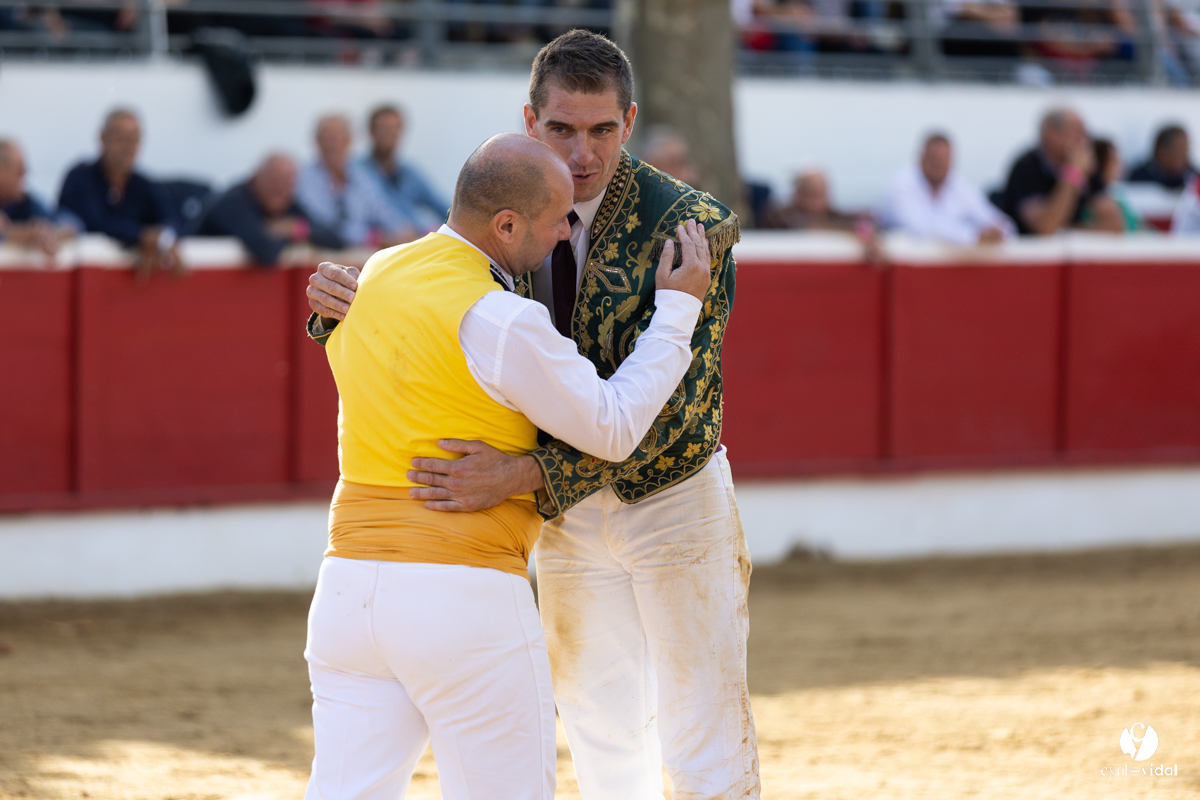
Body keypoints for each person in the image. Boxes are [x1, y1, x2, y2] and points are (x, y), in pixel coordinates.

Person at [304, 30, 760, 800]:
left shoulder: (690, 224)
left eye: (602, 130)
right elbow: (441, 306)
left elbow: (675, 418)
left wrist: (528, 471)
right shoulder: (503, 206)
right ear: (529, 121)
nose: (582, 153)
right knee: (596, 720)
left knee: (701, 719)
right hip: (565, 518)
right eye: (562, 129)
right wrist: (344, 308)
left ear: (630, 120)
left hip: (670, 499)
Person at [58, 108, 182, 277]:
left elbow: (172, 218)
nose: (127, 147)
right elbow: (95, 222)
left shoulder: (143, 184)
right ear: (102, 137)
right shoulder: (80, 178)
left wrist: (162, 239)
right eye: (120, 138)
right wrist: (142, 237)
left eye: (133, 139)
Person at [197, 153, 344, 265]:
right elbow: (266, 251)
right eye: (274, 180)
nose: (280, 188)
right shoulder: (232, 203)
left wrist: (297, 229)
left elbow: (336, 241)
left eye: (287, 183)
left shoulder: (287, 203)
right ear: (255, 178)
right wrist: (291, 235)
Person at [998, 107, 1124, 235]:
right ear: (1051, 134)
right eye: (1076, 133)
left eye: (1085, 134)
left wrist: (1070, 231)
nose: (1083, 141)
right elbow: (1046, 228)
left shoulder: (1085, 164)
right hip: (1025, 250)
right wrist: (1073, 174)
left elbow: (1114, 225)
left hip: (1071, 250)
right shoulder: (1026, 166)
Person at [296, 114, 415, 249]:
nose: (333, 144)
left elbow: (382, 208)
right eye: (327, 138)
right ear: (317, 142)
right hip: (327, 252)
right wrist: (373, 238)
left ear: (348, 141)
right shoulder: (305, 178)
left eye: (337, 138)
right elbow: (328, 224)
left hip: (362, 253)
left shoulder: (360, 174)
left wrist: (402, 229)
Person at [877, 133, 1014, 245]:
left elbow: (1001, 224)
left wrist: (997, 232)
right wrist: (974, 237)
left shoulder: (957, 185)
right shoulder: (901, 185)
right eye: (935, 159)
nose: (939, 165)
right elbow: (921, 231)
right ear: (921, 158)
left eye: (944, 160)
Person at [355, 104, 449, 233]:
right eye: (384, 128)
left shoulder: (410, 174)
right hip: (375, 243)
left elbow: (443, 207)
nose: (389, 134)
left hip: (413, 239)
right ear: (371, 131)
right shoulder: (357, 172)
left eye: (394, 129)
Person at [0, 139, 77, 256]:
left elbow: (70, 222)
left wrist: (47, 232)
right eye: (19, 170)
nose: (24, 174)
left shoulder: (28, 204)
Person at [1090, 138, 1143, 231]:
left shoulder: (1116, 193)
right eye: (1113, 160)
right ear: (1099, 163)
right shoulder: (1098, 201)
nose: (1120, 164)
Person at [1127, 124, 1197, 191]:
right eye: (1180, 150)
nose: (1185, 156)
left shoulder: (1194, 177)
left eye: (1186, 150)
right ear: (1161, 151)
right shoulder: (1139, 177)